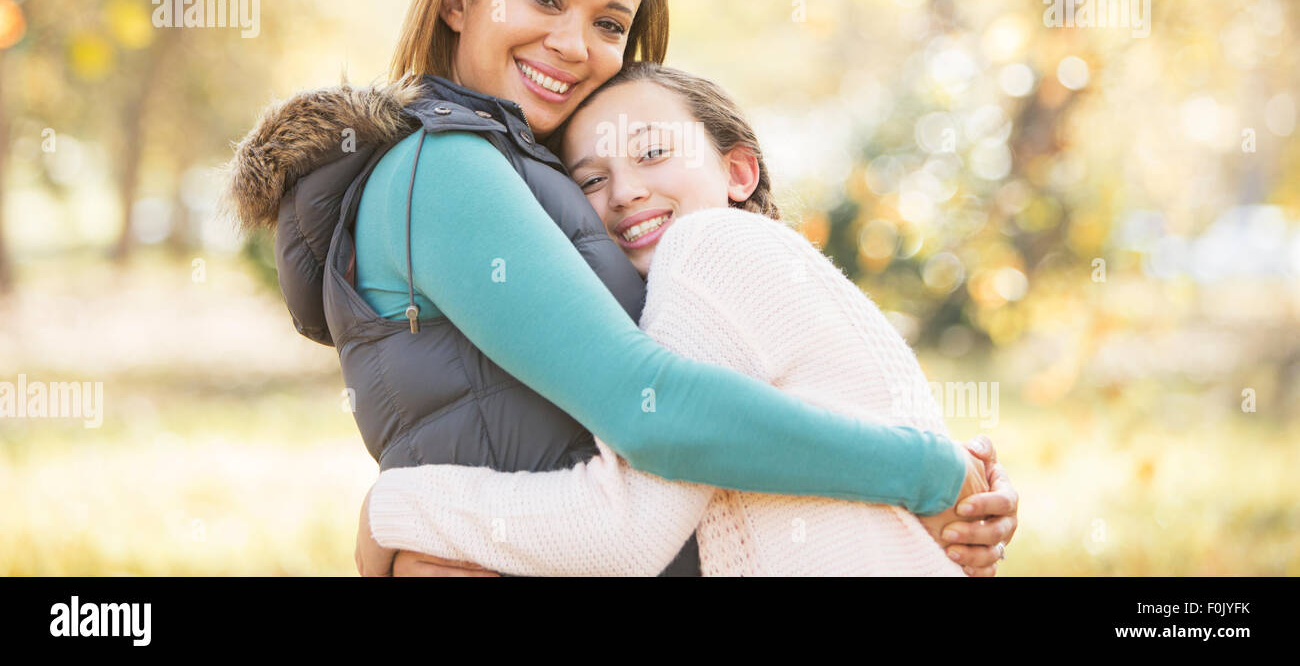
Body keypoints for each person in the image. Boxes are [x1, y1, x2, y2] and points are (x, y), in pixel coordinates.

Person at [227, 0, 1016, 578]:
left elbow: (743, 389)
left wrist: (948, 506)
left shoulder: (549, 182)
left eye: (610, 24)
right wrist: (928, 475)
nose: (573, 44)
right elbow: (654, 412)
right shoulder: (447, 170)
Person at [357, 63, 1016, 575]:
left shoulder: (709, 249)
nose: (625, 192)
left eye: (651, 155)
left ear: (737, 171)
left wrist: (392, 510)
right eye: (590, 180)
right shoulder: (767, 270)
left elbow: (628, 530)